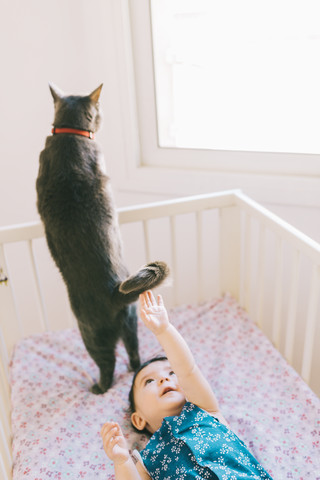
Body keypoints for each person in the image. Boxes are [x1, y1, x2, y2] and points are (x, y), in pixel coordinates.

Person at [101, 290, 273, 479]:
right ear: (138, 420)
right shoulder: (147, 461)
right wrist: (122, 461)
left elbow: (187, 369)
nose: (164, 379)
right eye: (149, 381)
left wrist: (164, 330)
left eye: (171, 373)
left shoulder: (205, 410)